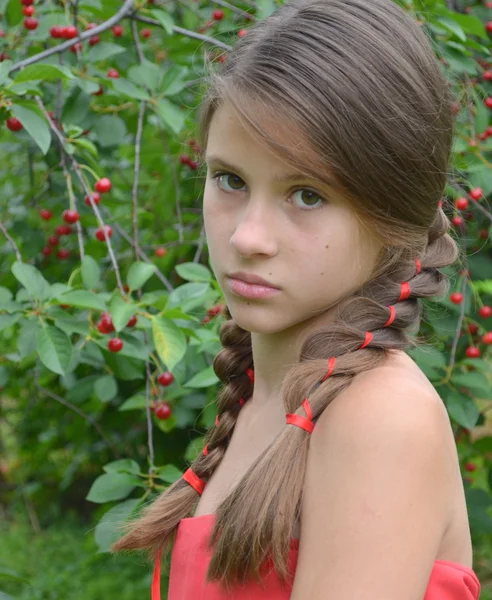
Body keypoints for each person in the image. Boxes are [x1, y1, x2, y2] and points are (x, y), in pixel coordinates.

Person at [112, 0, 482, 598]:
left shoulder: (378, 419)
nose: (247, 238)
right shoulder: (273, 398)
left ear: (393, 214)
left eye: (306, 195)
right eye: (230, 180)